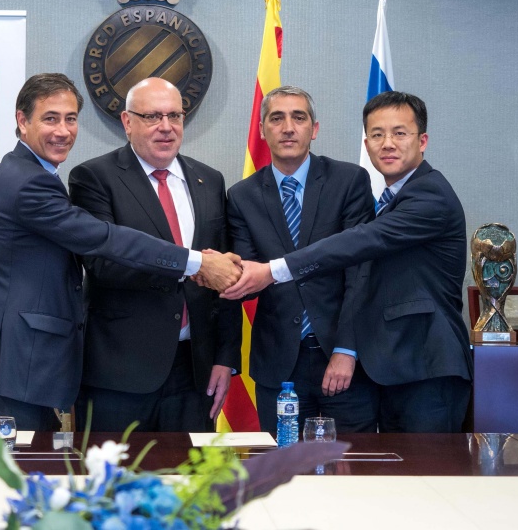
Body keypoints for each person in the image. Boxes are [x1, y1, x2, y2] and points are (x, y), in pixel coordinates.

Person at [0, 73, 241, 431]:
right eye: (50, 118)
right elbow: (105, 240)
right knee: (24, 464)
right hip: (20, 361)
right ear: (22, 120)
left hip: (30, 363)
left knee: (36, 461)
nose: (63, 131)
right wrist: (196, 262)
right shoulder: (29, 182)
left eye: (70, 119)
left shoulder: (32, 174)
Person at [223, 91, 473, 433]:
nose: (388, 144)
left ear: (422, 141)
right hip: (390, 369)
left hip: (426, 365)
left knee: (423, 466)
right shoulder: (393, 198)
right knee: (386, 468)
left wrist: (273, 270)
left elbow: (361, 243)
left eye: (400, 133)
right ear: (366, 144)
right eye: (377, 135)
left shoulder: (430, 194)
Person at [69, 77, 242, 432]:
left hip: (194, 374)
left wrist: (225, 358)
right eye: (152, 117)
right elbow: (103, 264)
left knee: (190, 470)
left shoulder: (209, 180)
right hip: (119, 375)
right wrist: (190, 266)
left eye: (174, 116)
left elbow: (224, 275)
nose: (166, 127)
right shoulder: (94, 178)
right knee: (115, 470)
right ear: (127, 122)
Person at [225, 86, 378, 435]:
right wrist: (221, 272)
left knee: (351, 464)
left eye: (299, 117)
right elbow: (249, 281)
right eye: (276, 118)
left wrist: (347, 348)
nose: (288, 128)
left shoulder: (348, 181)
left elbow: (361, 270)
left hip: (343, 358)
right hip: (278, 365)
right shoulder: (242, 196)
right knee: (284, 464)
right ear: (262, 130)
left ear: (314, 128)